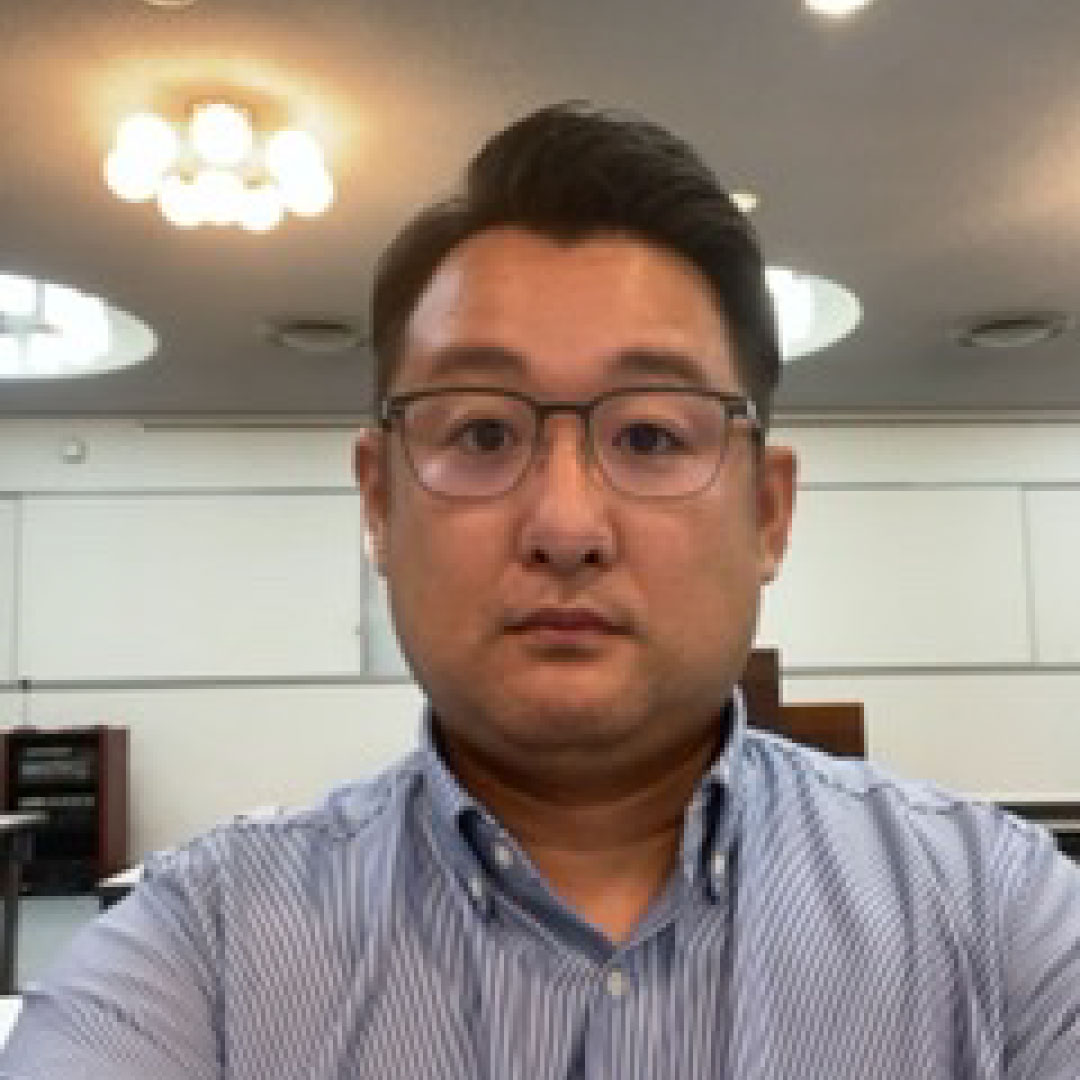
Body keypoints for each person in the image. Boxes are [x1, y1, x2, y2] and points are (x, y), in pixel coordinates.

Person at [4, 102, 1079, 1079]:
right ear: (378, 502)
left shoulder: (1003, 920)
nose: (567, 527)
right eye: (483, 432)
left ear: (768, 513)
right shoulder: (202, 952)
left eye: (649, 436)